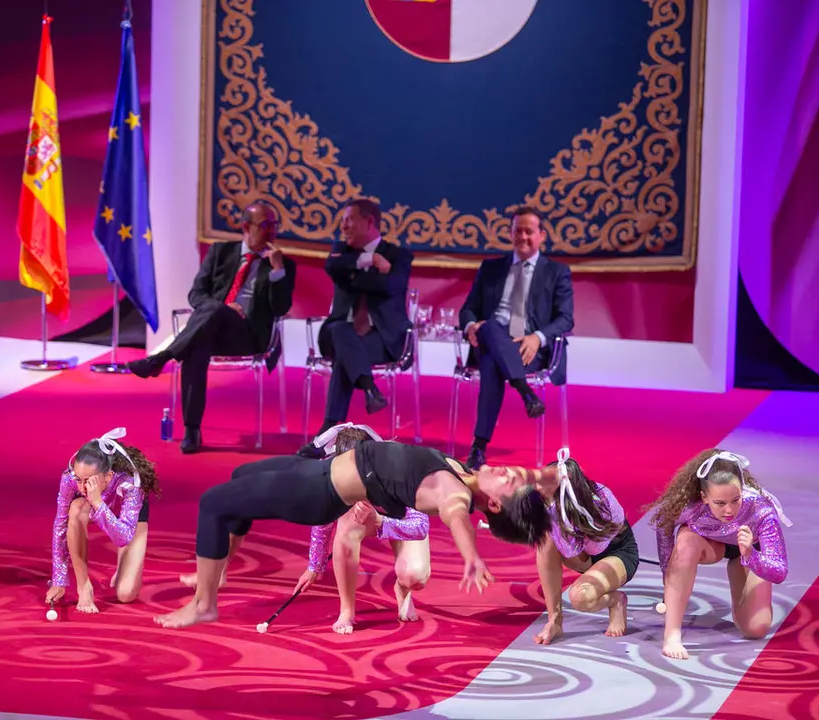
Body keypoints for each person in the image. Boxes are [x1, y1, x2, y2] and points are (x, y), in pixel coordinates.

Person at [153, 440, 555, 629]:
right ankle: (218, 567)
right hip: (319, 470)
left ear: (496, 505)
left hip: (317, 492)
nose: (506, 471)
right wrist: (550, 476)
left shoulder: (454, 494)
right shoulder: (463, 471)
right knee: (240, 478)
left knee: (213, 502)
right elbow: (530, 475)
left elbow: (455, 519)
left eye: (507, 483)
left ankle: (204, 603)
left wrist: (471, 556)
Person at [124, 201, 296, 453]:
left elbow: (280, 308)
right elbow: (196, 294)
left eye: (274, 225)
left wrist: (278, 270)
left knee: (207, 323)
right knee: (198, 344)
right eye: (265, 225)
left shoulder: (282, 265)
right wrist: (222, 309)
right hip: (212, 331)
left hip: (247, 335)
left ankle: (162, 358)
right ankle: (192, 430)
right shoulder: (220, 253)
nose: (272, 231)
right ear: (246, 227)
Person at [457, 206, 574, 468]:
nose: (522, 237)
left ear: (541, 235)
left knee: (491, 360)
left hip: (529, 350)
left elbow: (566, 318)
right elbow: (468, 309)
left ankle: (479, 446)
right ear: (510, 234)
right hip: (491, 337)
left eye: (529, 231)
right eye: (517, 231)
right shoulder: (491, 268)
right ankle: (526, 393)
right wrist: (471, 325)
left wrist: (537, 337)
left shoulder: (557, 272)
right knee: (488, 328)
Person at [648, 449, 792, 660]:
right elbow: (664, 528)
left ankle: (739, 576)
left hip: (747, 551)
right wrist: (667, 576)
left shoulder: (761, 509)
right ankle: (672, 634)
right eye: (720, 503)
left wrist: (751, 554)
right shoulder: (690, 507)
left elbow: (780, 572)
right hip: (711, 545)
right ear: (704, 497)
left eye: (735, 500)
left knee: (756, 629)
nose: (729, 511)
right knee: (686, 539)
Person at [293, 424, 431, 634]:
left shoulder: (400, 470)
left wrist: (380, 522)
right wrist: (315, 565)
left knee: (415, 577)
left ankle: (402, 587)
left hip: (397, 520)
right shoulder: (330, 472)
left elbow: (420, 527)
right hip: (361, 521)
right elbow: (323, 519)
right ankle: (347, 610)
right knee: (346, 524)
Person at [303, 198, 413, 449]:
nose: (343, 226)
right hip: (336, 333)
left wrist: (353, 277)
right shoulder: (340, 251)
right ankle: (369, 387)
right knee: (342, 331)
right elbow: (332, 266)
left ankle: (327, 434)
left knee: (347, 355)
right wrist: (369, 262)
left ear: (369, 222)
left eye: (348, 220)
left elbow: (391, 286)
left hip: (382, 338)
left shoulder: (399, 256)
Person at [45, 428, 160, 613]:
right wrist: (59, 579)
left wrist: (98, 502)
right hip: (94, 507)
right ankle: (85, 588)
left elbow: (123, 537)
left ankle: (125, 562)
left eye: (88, 481)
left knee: (126, 593)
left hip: (128, 523)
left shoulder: (131, 483)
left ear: (107, 476)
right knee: (75, 509)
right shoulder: (70, 479)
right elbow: (60, 524)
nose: (81, 487)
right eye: (78, 479)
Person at [532, 449, 638, 644]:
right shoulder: (553, 507)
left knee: (580, 598)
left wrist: (552, 523)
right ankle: (554, 621)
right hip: (583, 551)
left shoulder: (602, 501)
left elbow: (587, 553)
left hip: (615, 553)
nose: (537, 486)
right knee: (545, 539)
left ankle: (615, 601)